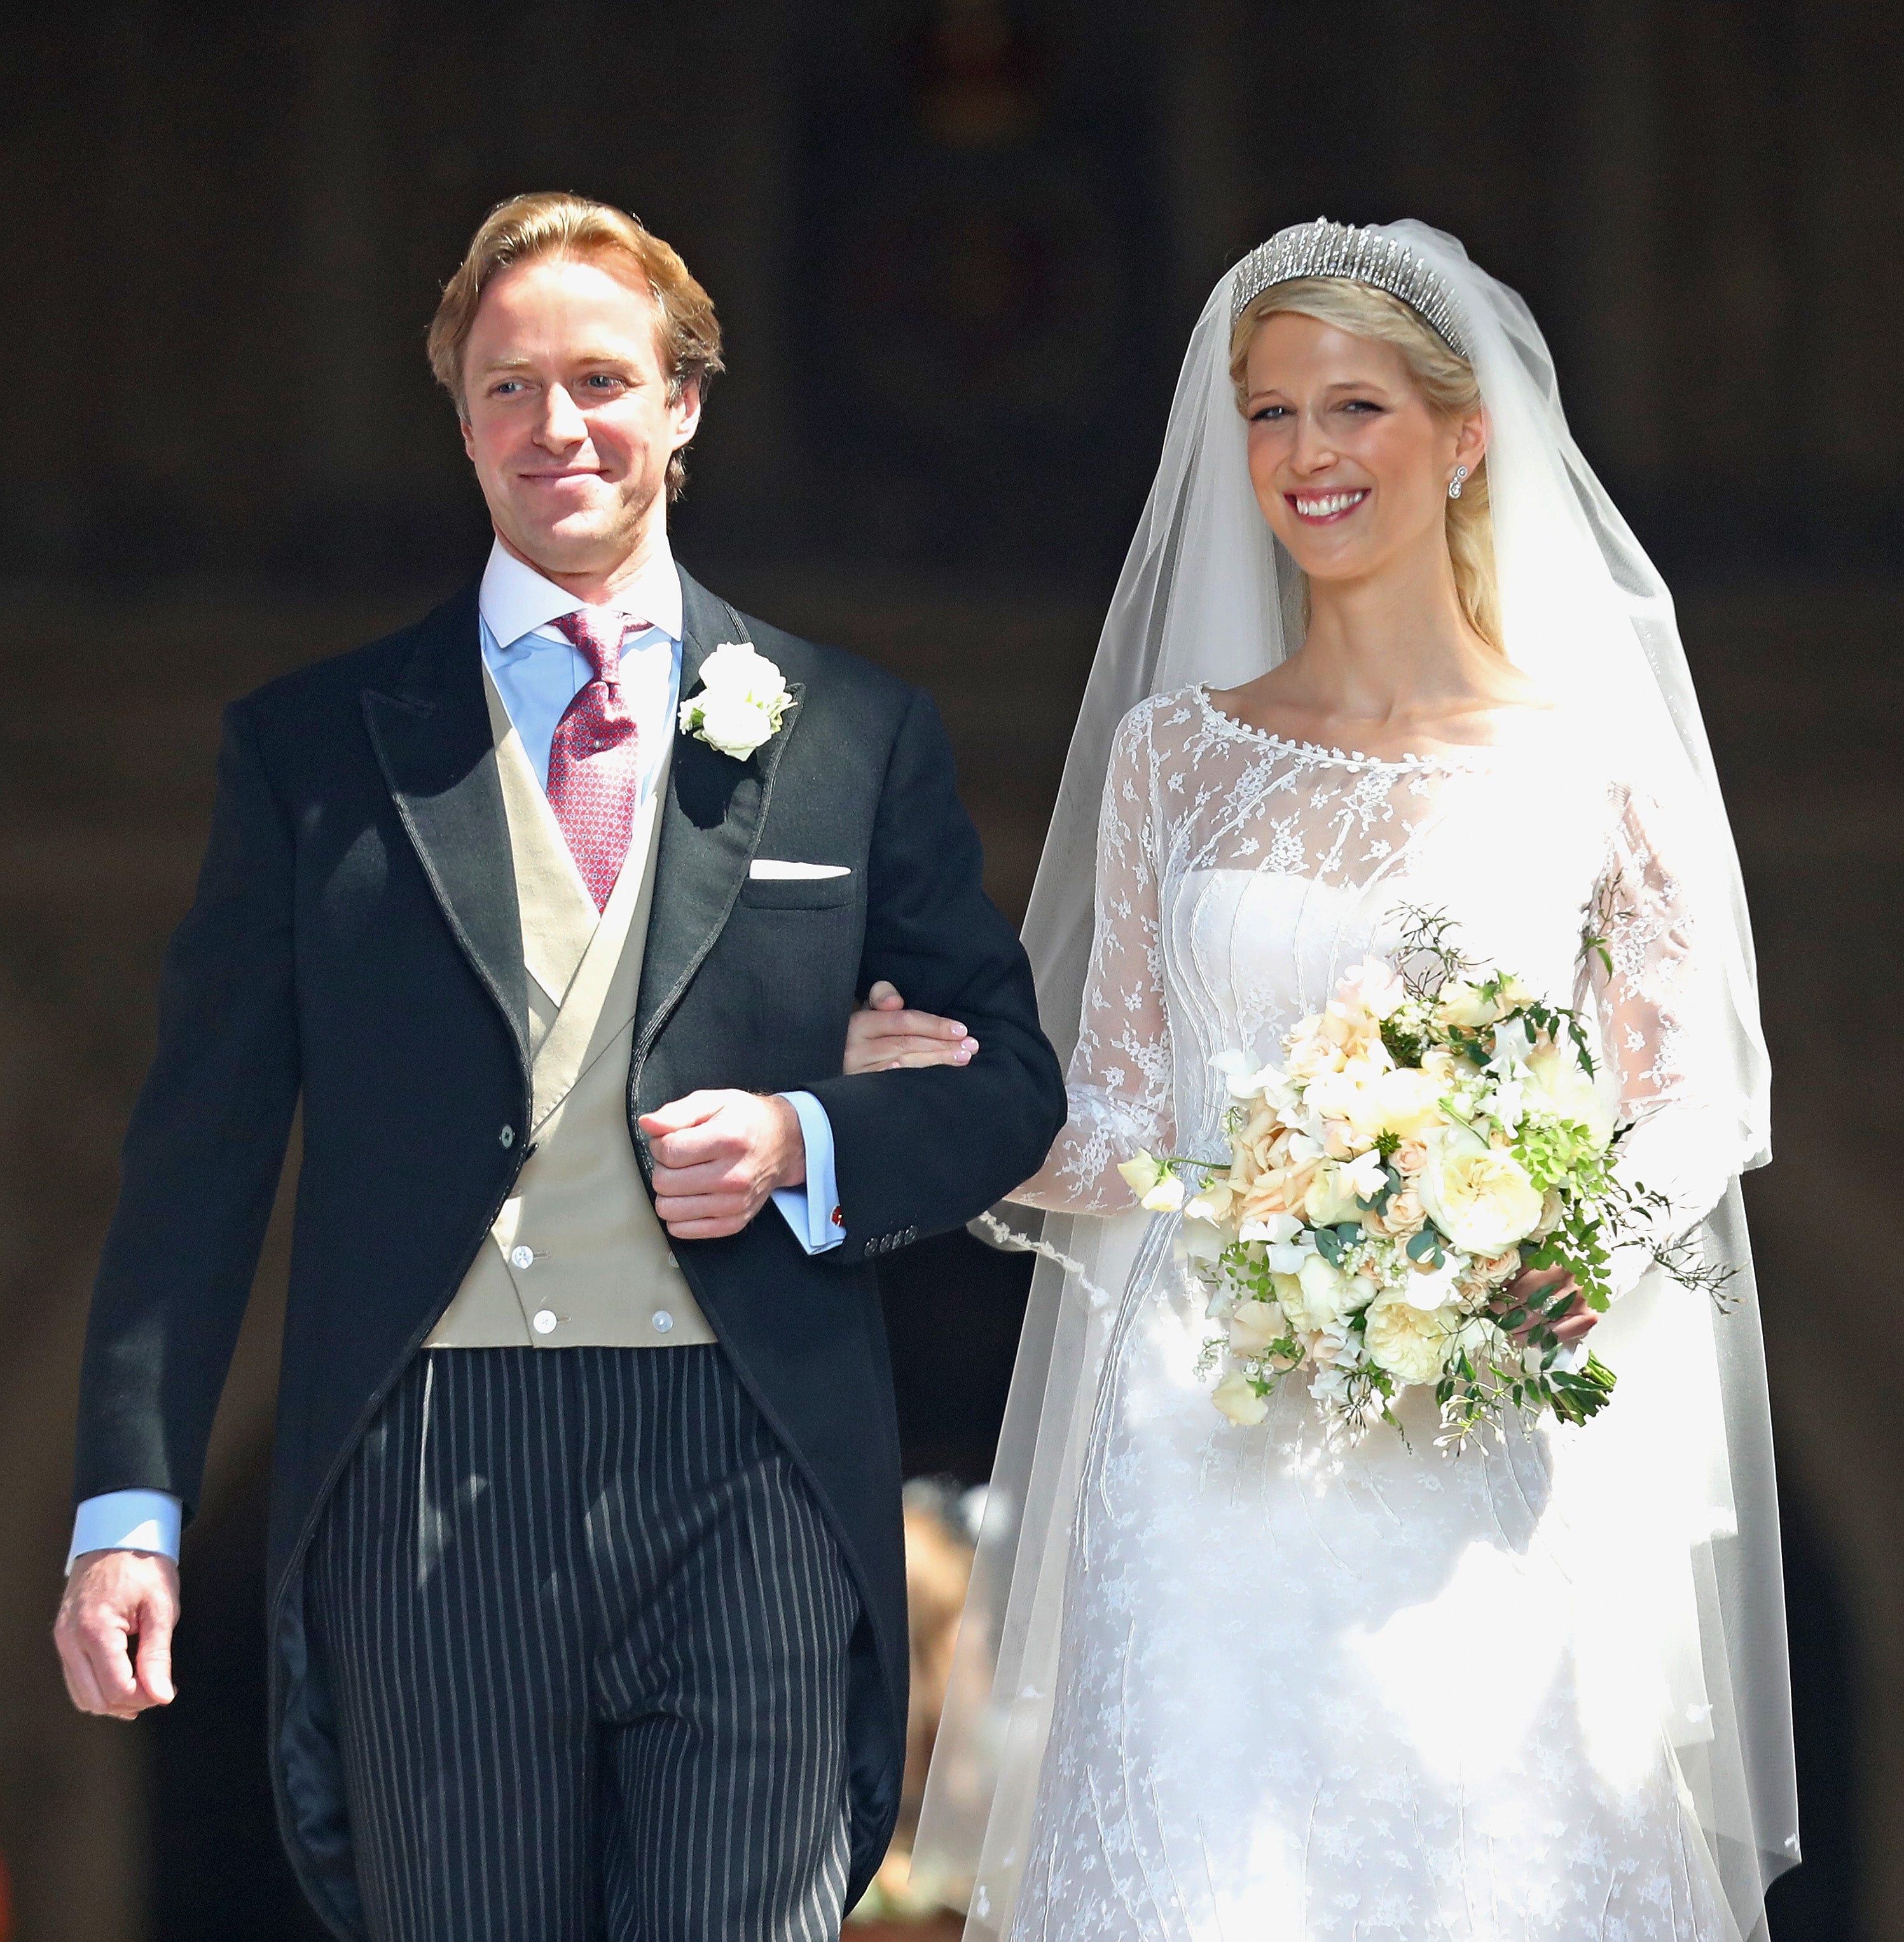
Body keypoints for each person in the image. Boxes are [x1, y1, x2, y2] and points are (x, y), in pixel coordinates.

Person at [54, 190, 1066, 1942]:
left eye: (599, 379)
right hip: (432, 1465)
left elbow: (1007, 1088)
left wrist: (807, 1134)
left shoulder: (849, 730)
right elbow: (194, 1168)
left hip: (748, 1456)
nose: (557, 427)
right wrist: (126, 1515)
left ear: (682, 403)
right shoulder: (310, 752)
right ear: (457, 418)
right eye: (507, 389)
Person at [868, 221, 1798, 1939]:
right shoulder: (1174, 758)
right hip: (1197, 1430)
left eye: (1352, 407)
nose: (1305, 455)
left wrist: (1562, 1254)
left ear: (1462, 438)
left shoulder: (1592, 765)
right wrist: (944, 1100)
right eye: (1269, 413)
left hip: (1485, 1432)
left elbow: (1695, 1095)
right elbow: (1131, 1124)